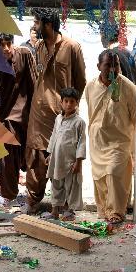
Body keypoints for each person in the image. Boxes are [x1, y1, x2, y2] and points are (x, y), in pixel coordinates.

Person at [26, 8, 87, 212]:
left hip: (62, 116)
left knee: (65, 160)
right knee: (36, 158)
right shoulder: (39, 47)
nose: (34, 27)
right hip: (39, 114)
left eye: (37, 23)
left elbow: (80, 81)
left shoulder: (71, 47)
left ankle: (64, 205)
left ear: (48, 24)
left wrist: (69, 108)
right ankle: (33, 202)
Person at [86, 49, 136, 224]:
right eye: (108, 65)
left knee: (114, 173)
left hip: (119, 141)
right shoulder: (91, 87)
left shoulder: (129, 88)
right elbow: (92, 113)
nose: (113, 69)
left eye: (115, 65)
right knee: (100, 178)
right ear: (99, 66)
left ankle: (117, 211)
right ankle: (104, 210)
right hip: (98, 142)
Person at [0, 32, 36, 205]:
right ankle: (9, 194)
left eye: (8, 43)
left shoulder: (24, 54)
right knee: (8, 157)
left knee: (30, 156)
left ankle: (32, 196)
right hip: (7, 116)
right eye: (2, 45)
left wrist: (35, 113)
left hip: (26, 115)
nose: (6, 48)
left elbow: (34, 83)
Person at [47, 87, 87, 220]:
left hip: (71, 162)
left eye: (72, 101)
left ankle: (69, 211)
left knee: (70, 186)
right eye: (66, 101)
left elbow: (81, 142)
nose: (69, 104)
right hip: (57, 160)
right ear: (61, 103)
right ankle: (54, 211)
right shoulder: (58, 119)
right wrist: (50, 154)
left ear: (76, 103)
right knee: (56, 185)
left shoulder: (79, 122)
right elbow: (54, 137)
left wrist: (78, 161)